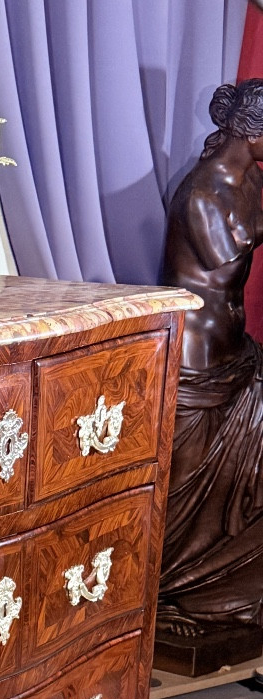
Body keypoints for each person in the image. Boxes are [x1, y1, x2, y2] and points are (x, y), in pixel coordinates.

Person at [158, 78, 263, 639]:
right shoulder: (202, 189)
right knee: (185, 482)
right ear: (250, 132)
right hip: (194, 356)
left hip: (235, 350)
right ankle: (173, 590)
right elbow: (227, 251)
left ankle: (225, 590)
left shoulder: (250, 182)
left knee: (244, 472)